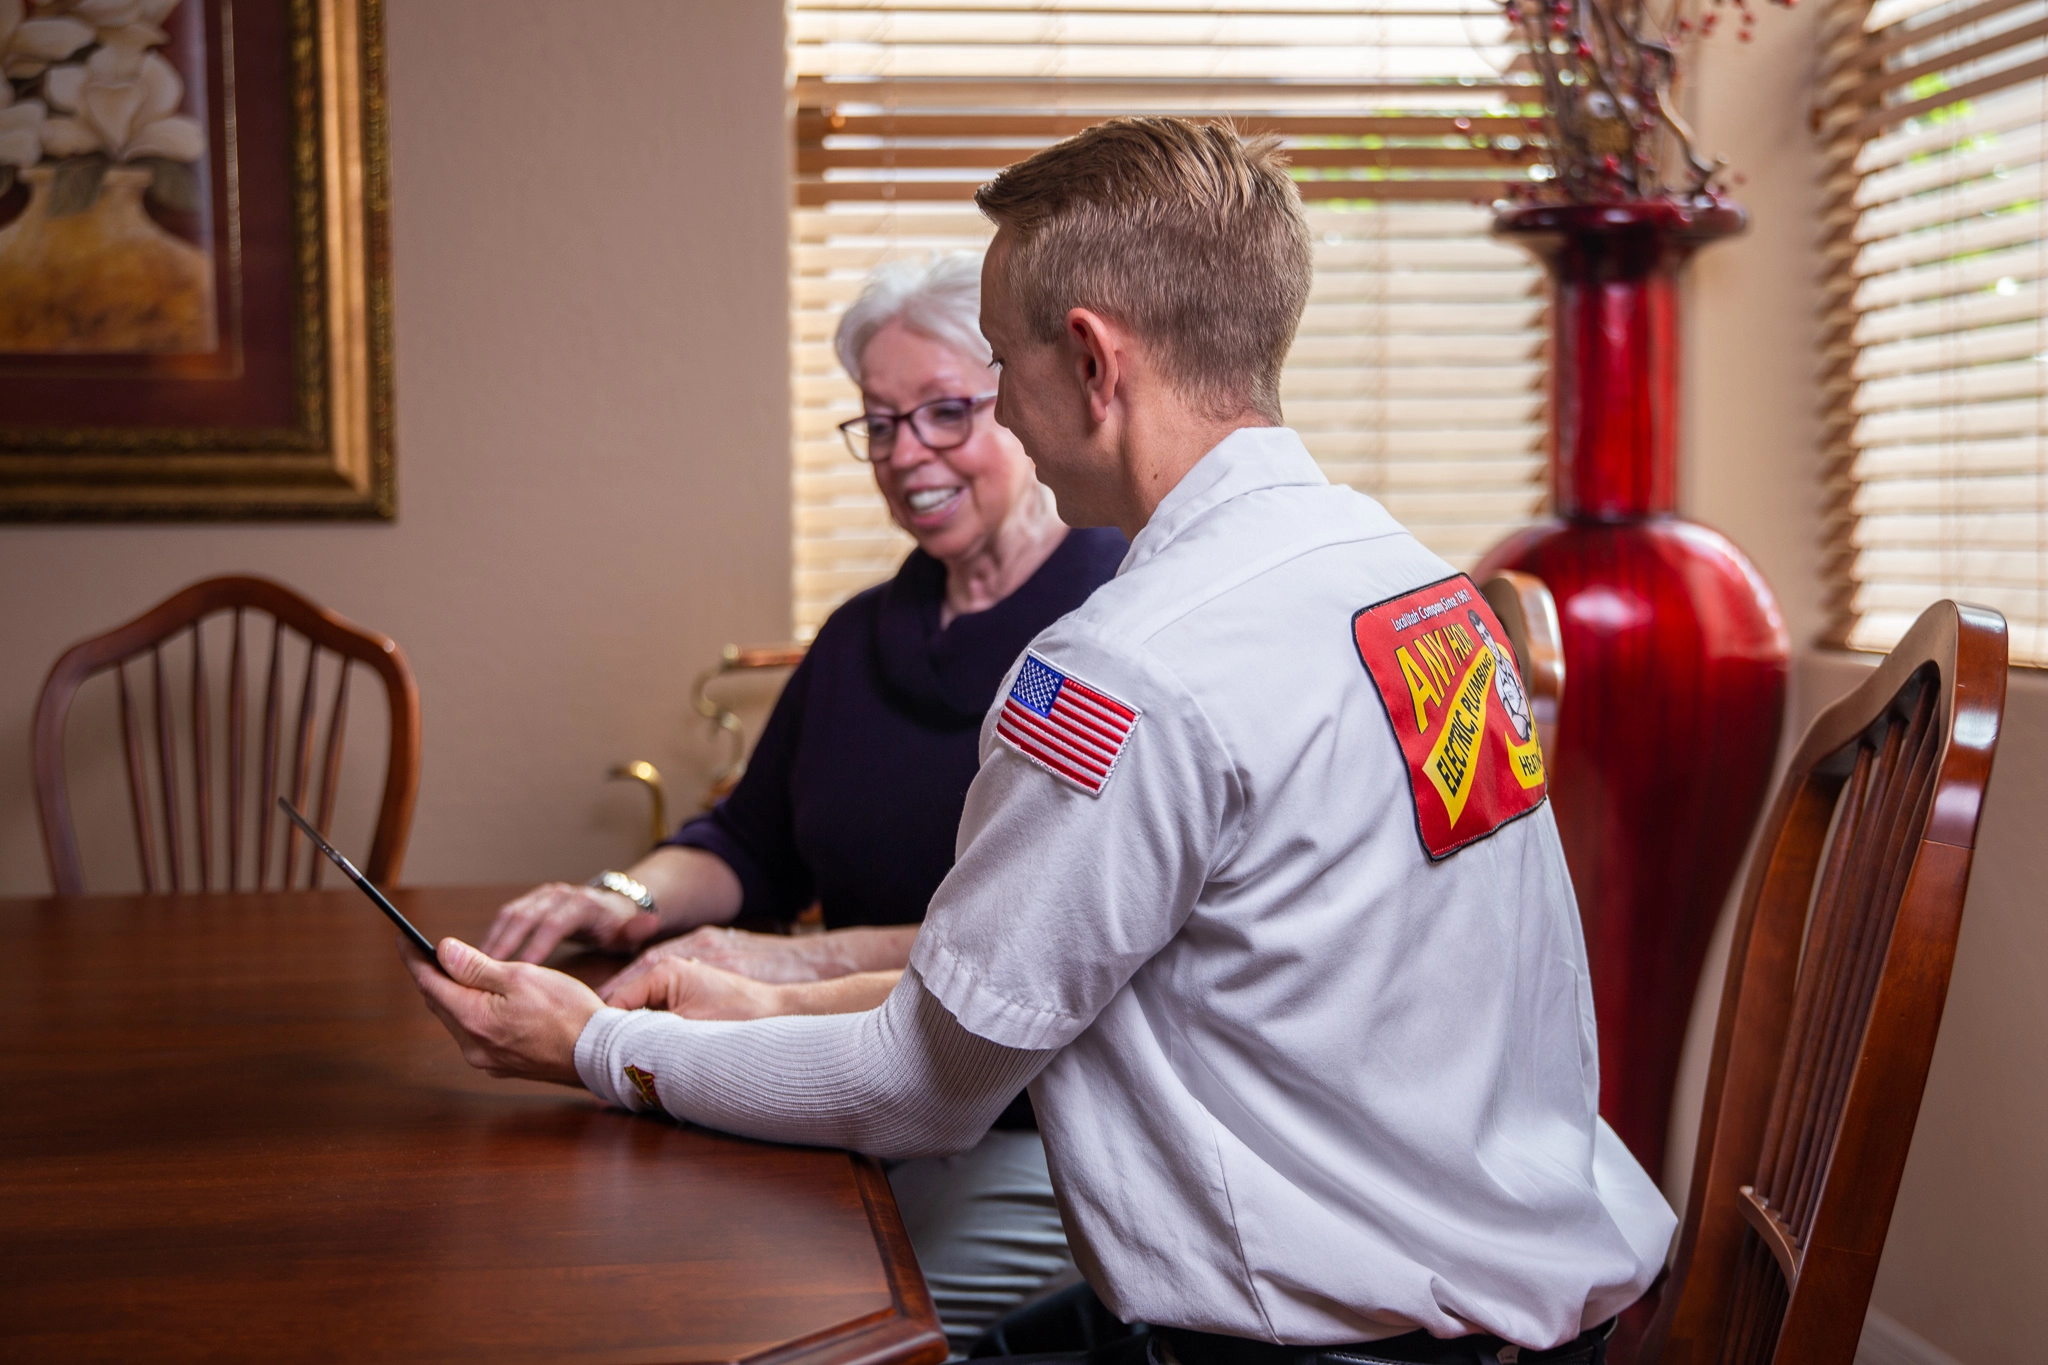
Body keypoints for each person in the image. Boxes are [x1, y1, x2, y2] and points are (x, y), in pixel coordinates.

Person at [410, 118, 1675, 1365]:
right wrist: (743, 1002)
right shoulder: (1413, 592)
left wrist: (593, 1048)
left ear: (1089, 361)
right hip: (1525, 1298)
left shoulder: (1122, 670)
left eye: (1001, 367)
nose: (1005, 412)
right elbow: (1157, 984)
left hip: (1324, 1341)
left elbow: (921, 1089)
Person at [476, 252, 1127, 1353]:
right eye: (878, 423)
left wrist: (770, 965)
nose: (904, 452)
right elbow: (747, 839)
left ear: (1019, 405)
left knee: (783, 1319)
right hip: (853, 1091)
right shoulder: (861, 635)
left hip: (1033, 1132)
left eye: (942, 413)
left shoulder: (1109, 626)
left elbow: (1041, 947)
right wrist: (617, 893)